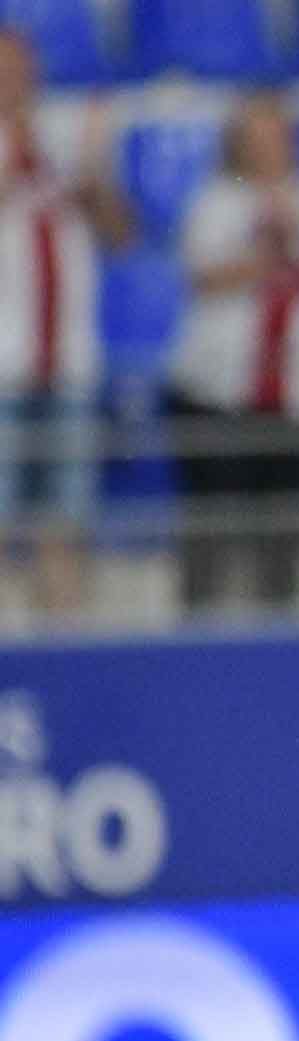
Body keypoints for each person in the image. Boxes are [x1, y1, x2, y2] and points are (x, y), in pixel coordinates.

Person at [167, 92, 299, 611]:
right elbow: (203, 273)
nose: (270, 147)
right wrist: (275, 244)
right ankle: (199, 636)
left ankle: (280, 637)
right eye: (258, 136)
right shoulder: (214, 200)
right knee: (212, 533)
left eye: (278, 134)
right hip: (219, 388)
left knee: (285, 537)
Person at [0, 27, 126, 614]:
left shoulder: (66, 140)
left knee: (65, 521)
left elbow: (121, 236)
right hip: (4, 364)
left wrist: (95, 182)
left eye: (19, 67)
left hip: (69, 360)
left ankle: (63, 636)